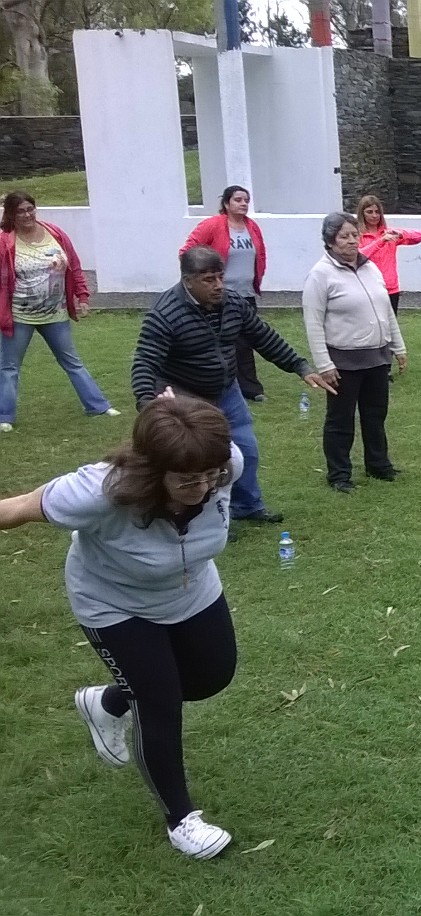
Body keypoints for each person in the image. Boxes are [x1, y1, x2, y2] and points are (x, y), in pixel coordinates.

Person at [0, 395, 251, 859]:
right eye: (186, 480)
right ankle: (182, 821)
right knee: (158, 700)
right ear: (153, 471)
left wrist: (209, 468)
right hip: (113, 603)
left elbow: (209, 465)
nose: (203, 487)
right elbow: (14, 509)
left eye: (210, 476)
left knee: (212, 676)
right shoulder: (99, 491)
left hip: (192, 588)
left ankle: (106, 701)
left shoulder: (224, 464)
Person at [133, 246, 334, 526]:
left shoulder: (233, 303)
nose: (218, 286)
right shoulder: (165, 314)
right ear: (187, 280)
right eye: (208, 280)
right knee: (204, 462)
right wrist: (147, 402)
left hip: (227, 390)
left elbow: (262, 336)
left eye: (220, 277)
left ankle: (248, 507)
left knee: (246, 451)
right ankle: (208, 519)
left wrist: (299, 367)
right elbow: (145, 361)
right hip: (187, 397)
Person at [303, 212, 407, 493]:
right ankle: (339, 474)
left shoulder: (370, 267)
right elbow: (313, 323)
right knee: (340, 420)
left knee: (375, 415)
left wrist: (398, 346)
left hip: (376, 356)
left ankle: (378, 464)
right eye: (344, 236)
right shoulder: (320, 275)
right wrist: (324, 364)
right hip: (343, 360)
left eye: (354, 235)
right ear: (330, 241)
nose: (351, 241)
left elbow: (385, 309)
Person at [0, 190, 119, 433]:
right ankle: (5, 417)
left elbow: (73, 265)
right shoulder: (5, 242)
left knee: (72, 361)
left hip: (55, 313)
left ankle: (98, 406)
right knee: (10, 367)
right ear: (11, 214)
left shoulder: (54, 233)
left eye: (30, 209)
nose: (26, 215)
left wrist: (83, 295)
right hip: (20, 315)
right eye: (20, 211)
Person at [181, 186, 270, 401]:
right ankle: (214, 383)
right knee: (220, 340)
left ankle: (251, 388)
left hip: (245, 293)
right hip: (219, 294)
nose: (243, 204)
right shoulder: (213, 225)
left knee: (246, 340)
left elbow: (261, 254)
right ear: (227, 203)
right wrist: (202, 278)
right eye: (238, 199)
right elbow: (187, 251)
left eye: (246, 200)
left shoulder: (252, 227)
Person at [356, 195, 421, 314]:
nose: (374, 215)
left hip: (390, 288)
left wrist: (400, 234)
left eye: (377, 212)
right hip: (367, 287)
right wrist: (380, 241)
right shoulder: (357, 235)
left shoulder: (389, 233)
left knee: (390, 327)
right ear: (362, 214)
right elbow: (360, 256)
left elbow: (420, 235)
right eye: (369, 212)